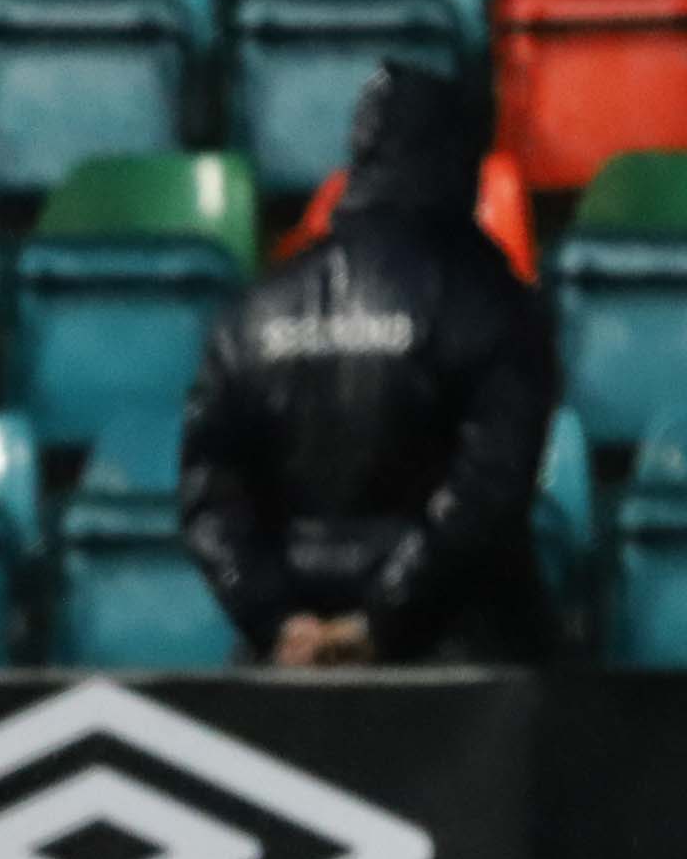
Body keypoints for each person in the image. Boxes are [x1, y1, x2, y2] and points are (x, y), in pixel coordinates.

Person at [183, 61, 559, 667]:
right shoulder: (492, 302)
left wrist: (278, 623)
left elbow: (210, 491)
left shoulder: (255, 308)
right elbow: (488, 492)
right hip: (460, 671)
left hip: (287, 678)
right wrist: (377, 625)